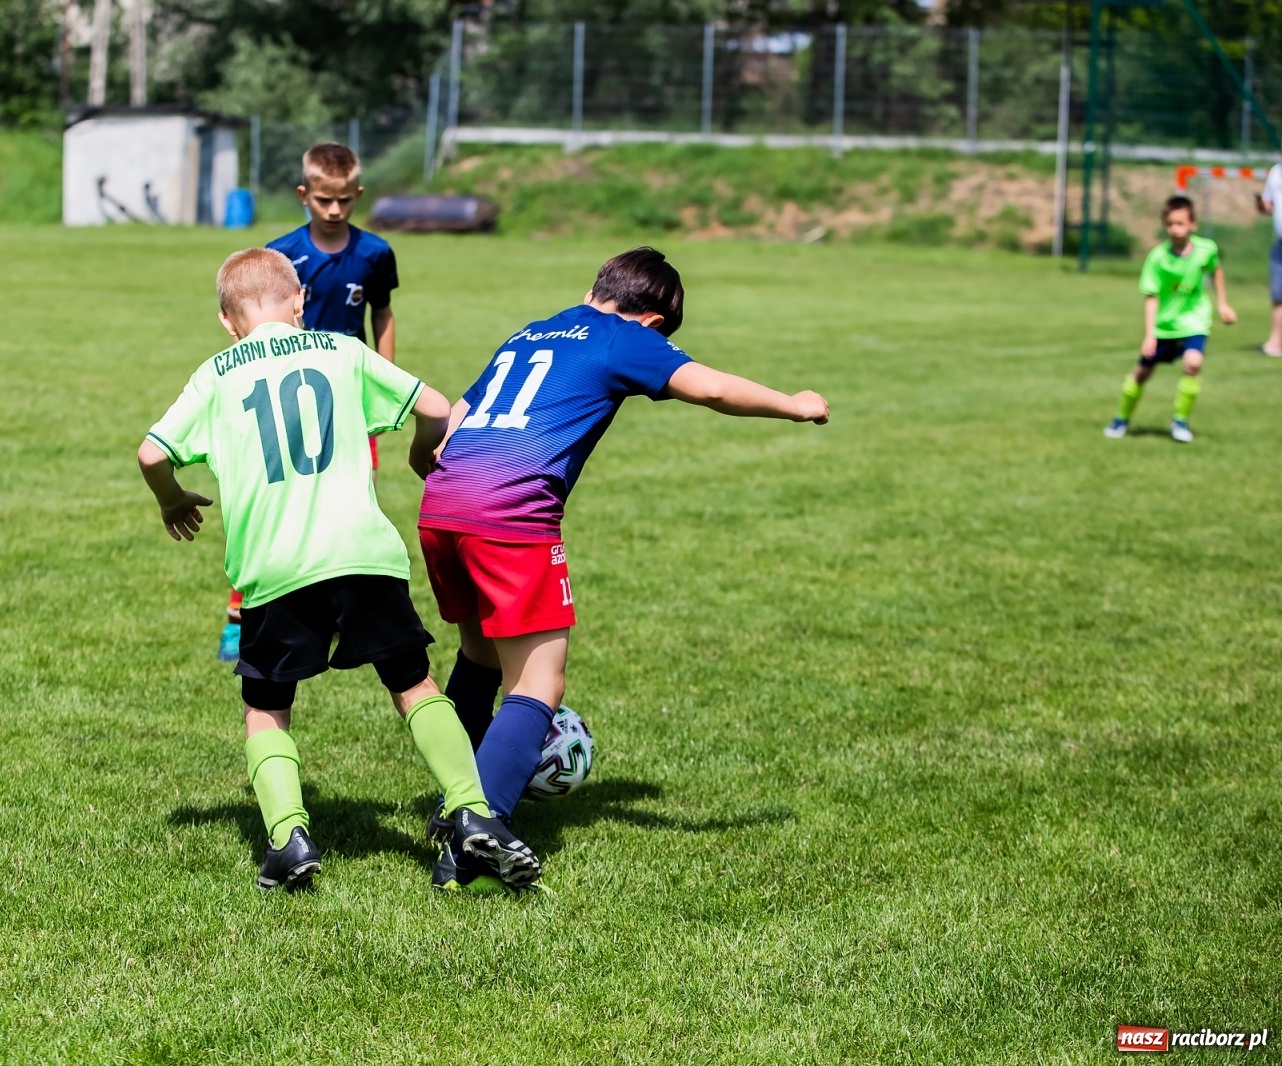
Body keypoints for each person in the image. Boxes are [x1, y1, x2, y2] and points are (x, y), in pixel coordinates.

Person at [414, 247, 830, 889]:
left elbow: (453, 422)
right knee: (539, 683)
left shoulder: (531, 332)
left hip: (444, 503)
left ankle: (454, 808)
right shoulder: (624, 337)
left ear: (595, 288)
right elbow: (712, 388)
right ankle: (475, 840)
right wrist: (796, 403)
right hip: (509, 514)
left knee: (480, 656)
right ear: (655, 323)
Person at [137, 247, 539, 892]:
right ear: (300, 301)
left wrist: (172, 500)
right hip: (363, 554)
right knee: (413, 684)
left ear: (227, 321)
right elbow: (436, 406)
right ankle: (472, 811)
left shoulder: (214, 375)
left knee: (266, 707)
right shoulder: (342, 350)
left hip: (274, 565)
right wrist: (421, 451)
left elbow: (151, 453)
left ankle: (289, 839)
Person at [216, 142, 401, 662]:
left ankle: (343, 612)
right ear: (304, 194)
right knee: (269, 509)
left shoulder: (375, 253)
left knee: (351, 502)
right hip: (289, 403)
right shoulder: (279, 256)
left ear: (358, 194)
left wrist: (383, 381)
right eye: (324, 200)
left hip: (348, 401)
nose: (334, 209)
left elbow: (382, 315)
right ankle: (238, 616)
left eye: (344, 200)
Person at [1105, 196, 1236, 444]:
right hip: (1164, 326)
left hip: (1195, 321)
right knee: (1141, 374)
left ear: (1193, 224)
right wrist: (1149, 334)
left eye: (1180, 223)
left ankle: (1180, 421)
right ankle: (1121, 419)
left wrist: (1223, 304)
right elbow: (1151, 296)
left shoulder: (1206, 249)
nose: (1175, 229)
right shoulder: (1157, 258)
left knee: (1193, 364)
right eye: (1170, 224)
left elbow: (1216, 271)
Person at [1257, 158, 1282, 357]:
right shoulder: (1275, 172)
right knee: (1278, 295)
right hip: (1280, 244)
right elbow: (1268, 206)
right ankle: (1275, 343)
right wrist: (1262, 205)